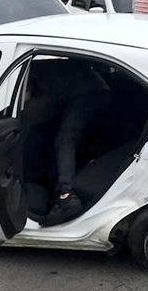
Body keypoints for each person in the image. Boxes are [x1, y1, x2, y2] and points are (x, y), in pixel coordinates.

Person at [41, 61, 112, 226]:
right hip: (100, 91)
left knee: (65, 141)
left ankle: (66, 195)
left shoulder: (37, 66)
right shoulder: (44, 60)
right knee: (78, 140)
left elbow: (38, 100)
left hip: (86, 94)